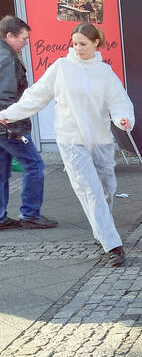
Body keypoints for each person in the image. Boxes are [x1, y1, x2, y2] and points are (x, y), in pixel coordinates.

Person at [0, 22, 134, 266]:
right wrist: (9, 114)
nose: (78, 48)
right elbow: (36, 95)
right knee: (90, 190)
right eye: (74, 44)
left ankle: (101, 230)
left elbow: (119, 101)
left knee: (106, 189)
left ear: (96, 43)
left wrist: (123, 118)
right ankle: (113, 245)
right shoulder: (61, 68)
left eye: (83, 44)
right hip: (71, 141)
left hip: (101, 141)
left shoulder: (104, 73)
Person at [0, 15, 56, 231]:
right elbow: (6, 97)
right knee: (35, 165)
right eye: (23, 38)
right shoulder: (7, 59)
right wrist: (13, 127)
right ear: (10, 36)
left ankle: (1, 218)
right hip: (10, 128)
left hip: (3, 127)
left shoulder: (5, 55)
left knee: (2, 170)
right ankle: (30, 214)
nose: (26, 42)